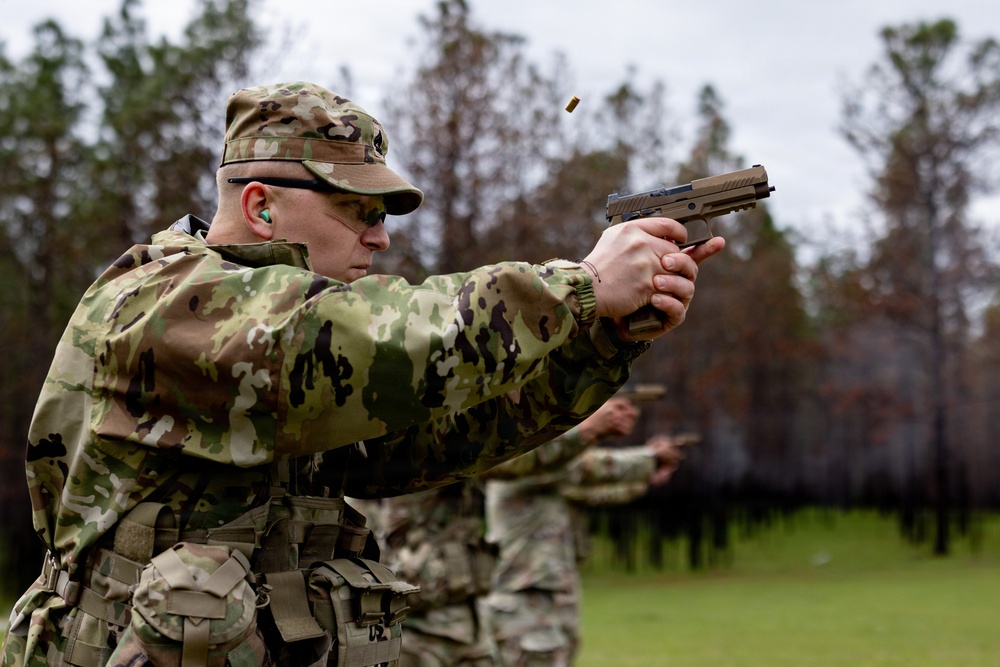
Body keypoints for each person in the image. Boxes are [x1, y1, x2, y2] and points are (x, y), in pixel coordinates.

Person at [1, 81, 723, 667]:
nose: (380, 234)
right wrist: (582, 285)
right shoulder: (165, 302)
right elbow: (363, 341)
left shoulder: (281, 349)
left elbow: (427, 440)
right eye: (357, 209)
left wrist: (598, 339)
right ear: (260, 205)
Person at [374, 398, 641, 667]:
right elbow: (510, 459)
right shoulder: (426, 435)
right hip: (420, 624)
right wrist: (587, 430)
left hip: (466, 618)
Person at [484, 399, 687, 666]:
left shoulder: (551, 477)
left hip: (554, 591)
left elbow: (598, 493)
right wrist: (648, 458)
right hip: (523, 594)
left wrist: (647, 476)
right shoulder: (525, 466)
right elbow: (588, 468)